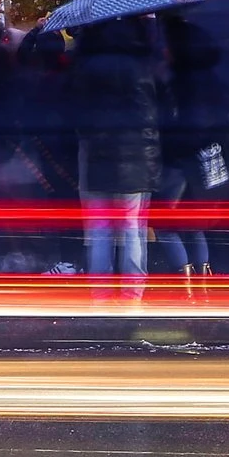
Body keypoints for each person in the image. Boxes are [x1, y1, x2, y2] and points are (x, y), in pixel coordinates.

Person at [72, 17, 163, 296]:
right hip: (137, 156)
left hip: (98, 156)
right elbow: (154, 115)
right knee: (133, 227)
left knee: (99, 228)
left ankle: (100, 291)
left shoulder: (86, 67)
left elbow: (77, 115)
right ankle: (133, 292)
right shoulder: (143, 66)